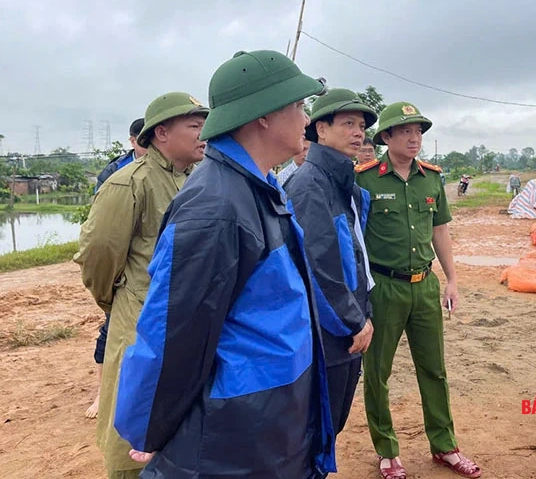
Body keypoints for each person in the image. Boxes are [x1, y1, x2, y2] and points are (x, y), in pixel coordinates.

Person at [113, 50, 336, 478]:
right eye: (298, 105)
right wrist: (146, 425)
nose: (306, 118)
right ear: (263, 116)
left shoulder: (261, 187)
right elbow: (173, 330)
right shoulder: (215, 205)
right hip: (234, 431)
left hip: (271, 416)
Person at [73, 92, 209, 478]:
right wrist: (116, 302)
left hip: (186, 318)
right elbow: (99, 255)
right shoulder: (129, 184)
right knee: (132, 414)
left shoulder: (197, 180)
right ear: (161, 133)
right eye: (194, 126)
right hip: (139, 319)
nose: (203, 134)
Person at [356, 102, 481, 479]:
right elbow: (353, 237)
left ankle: (445, 445)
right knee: (377, 372)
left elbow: (440, 230)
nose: (414, 138)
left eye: (418, 132)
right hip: (383, 288)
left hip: (424, 286)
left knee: (434, 369)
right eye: (405, 131)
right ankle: (387, 451)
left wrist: (452, 279)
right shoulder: (365, 180)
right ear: (386, 137)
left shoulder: (432, 178)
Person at [285, 87, 378, 439]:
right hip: (329, 331)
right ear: (321, 130)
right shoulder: (309, 185)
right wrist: (354, 321)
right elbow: (317, 266)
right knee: (316, 429)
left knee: (333, 423)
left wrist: (363, 312)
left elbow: (354, 258)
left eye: (362, 126)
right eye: (348, 124)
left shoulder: (344, 183)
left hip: (347, 324)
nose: (358, 133)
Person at [85, 117, 149, 420]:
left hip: (149, 271)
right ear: (133, 141)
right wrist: (108, 288)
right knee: (110, 329)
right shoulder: (116, 173)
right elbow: (103, 234)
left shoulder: (173, 171)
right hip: (123, 267)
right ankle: (103, 393)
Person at [94, 118, 148, 193]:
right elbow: (99, 196)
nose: (152, 147)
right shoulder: (114, 169)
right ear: (133, 141)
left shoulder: (163, 165)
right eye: (146, 142)